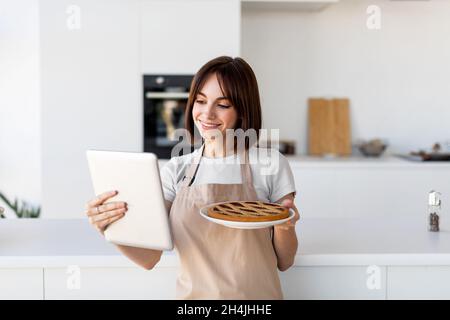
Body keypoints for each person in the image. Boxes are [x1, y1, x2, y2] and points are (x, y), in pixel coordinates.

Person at [85, 56, 300, 299]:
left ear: (243, 110)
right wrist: (110, 229)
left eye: (223, 104)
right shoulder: (176, 170)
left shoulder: (270, 164)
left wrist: (285, 226)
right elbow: (149, 258)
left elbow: (285, 260)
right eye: (200, 101)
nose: (206, 114)